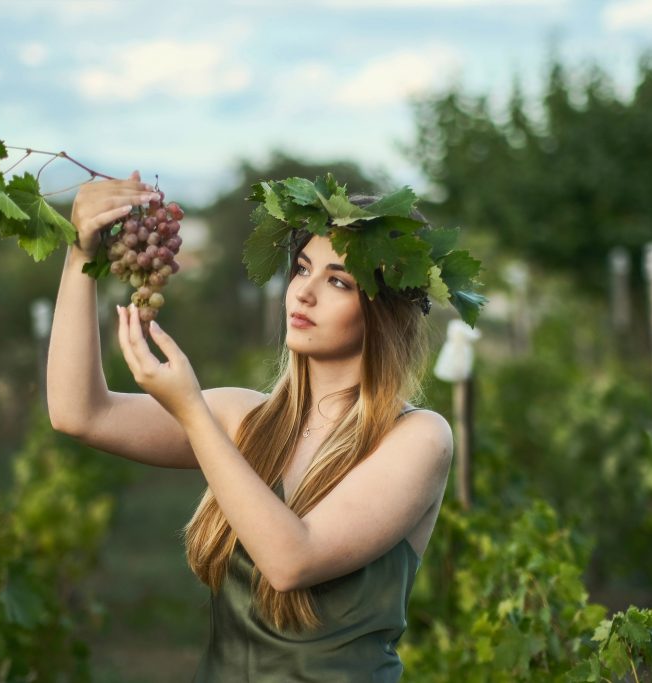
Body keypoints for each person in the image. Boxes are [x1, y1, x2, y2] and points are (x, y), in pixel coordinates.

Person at [47, 170, 460, 682]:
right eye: (303, 268)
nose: (304, 294)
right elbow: (78, 412)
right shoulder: (246, 418)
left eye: (338, 281)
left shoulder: (417, 438)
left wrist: (192, 413)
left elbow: (291, 561)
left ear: (385, 312)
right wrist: (80, 252)